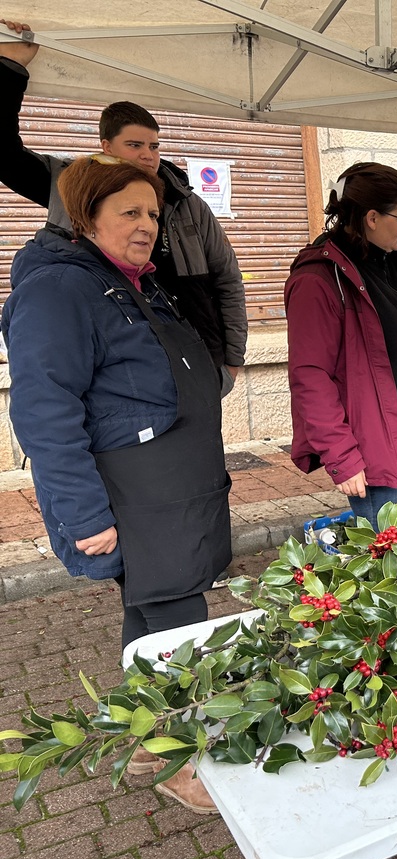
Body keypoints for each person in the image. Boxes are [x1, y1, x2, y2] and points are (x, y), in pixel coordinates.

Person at [1, 154, 231, 815]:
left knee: (151, 614)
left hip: (174, 495)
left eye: (153, 213)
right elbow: (45, 413)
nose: (147, 225)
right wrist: (81, 515)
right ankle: (178, 759)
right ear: (85, 215)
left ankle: (147, 740)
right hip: (138, 502)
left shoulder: (133, 284)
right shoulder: (58, 290)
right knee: (179, 625)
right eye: (129, 211)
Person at [0, 19, 247, 395]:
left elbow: (227, 279)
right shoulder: (69, 184)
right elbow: (4, 155)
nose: (148, 156)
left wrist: (232, 358)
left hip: (196, 357)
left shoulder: (187, 203)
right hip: (115, 366)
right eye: (135, 145)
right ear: (106, 146)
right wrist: (10, 69)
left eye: (154, 146)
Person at [285, 161, 397, 527]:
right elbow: (310, 377)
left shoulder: (392, 263)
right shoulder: (318, 280)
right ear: (372, 218)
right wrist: (341, 456)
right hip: (371, 451)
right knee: (388, 562)